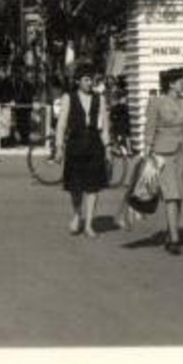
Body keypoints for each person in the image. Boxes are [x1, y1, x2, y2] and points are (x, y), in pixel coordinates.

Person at [140, 67, 183, 254]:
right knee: (171, 194)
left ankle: (171, 231)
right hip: (162, 153)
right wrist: (147, 153)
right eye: (182, 81)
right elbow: (149, 129)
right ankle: (174, 239)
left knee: (178, 194)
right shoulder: (156, 102)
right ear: (171, 83)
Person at [55, 67, 111, 237]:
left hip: (94, 144)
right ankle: (77, 214)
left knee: (93, 186)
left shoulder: (99, 98)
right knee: (75, 187)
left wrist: (107, 148)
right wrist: (59, 147)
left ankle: (88, 224)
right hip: (75, 144)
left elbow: (105, 126)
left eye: (91, 80)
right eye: (86, 80)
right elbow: (62, 124)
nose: (89, 83)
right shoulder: (68, 98)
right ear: (78, 81)